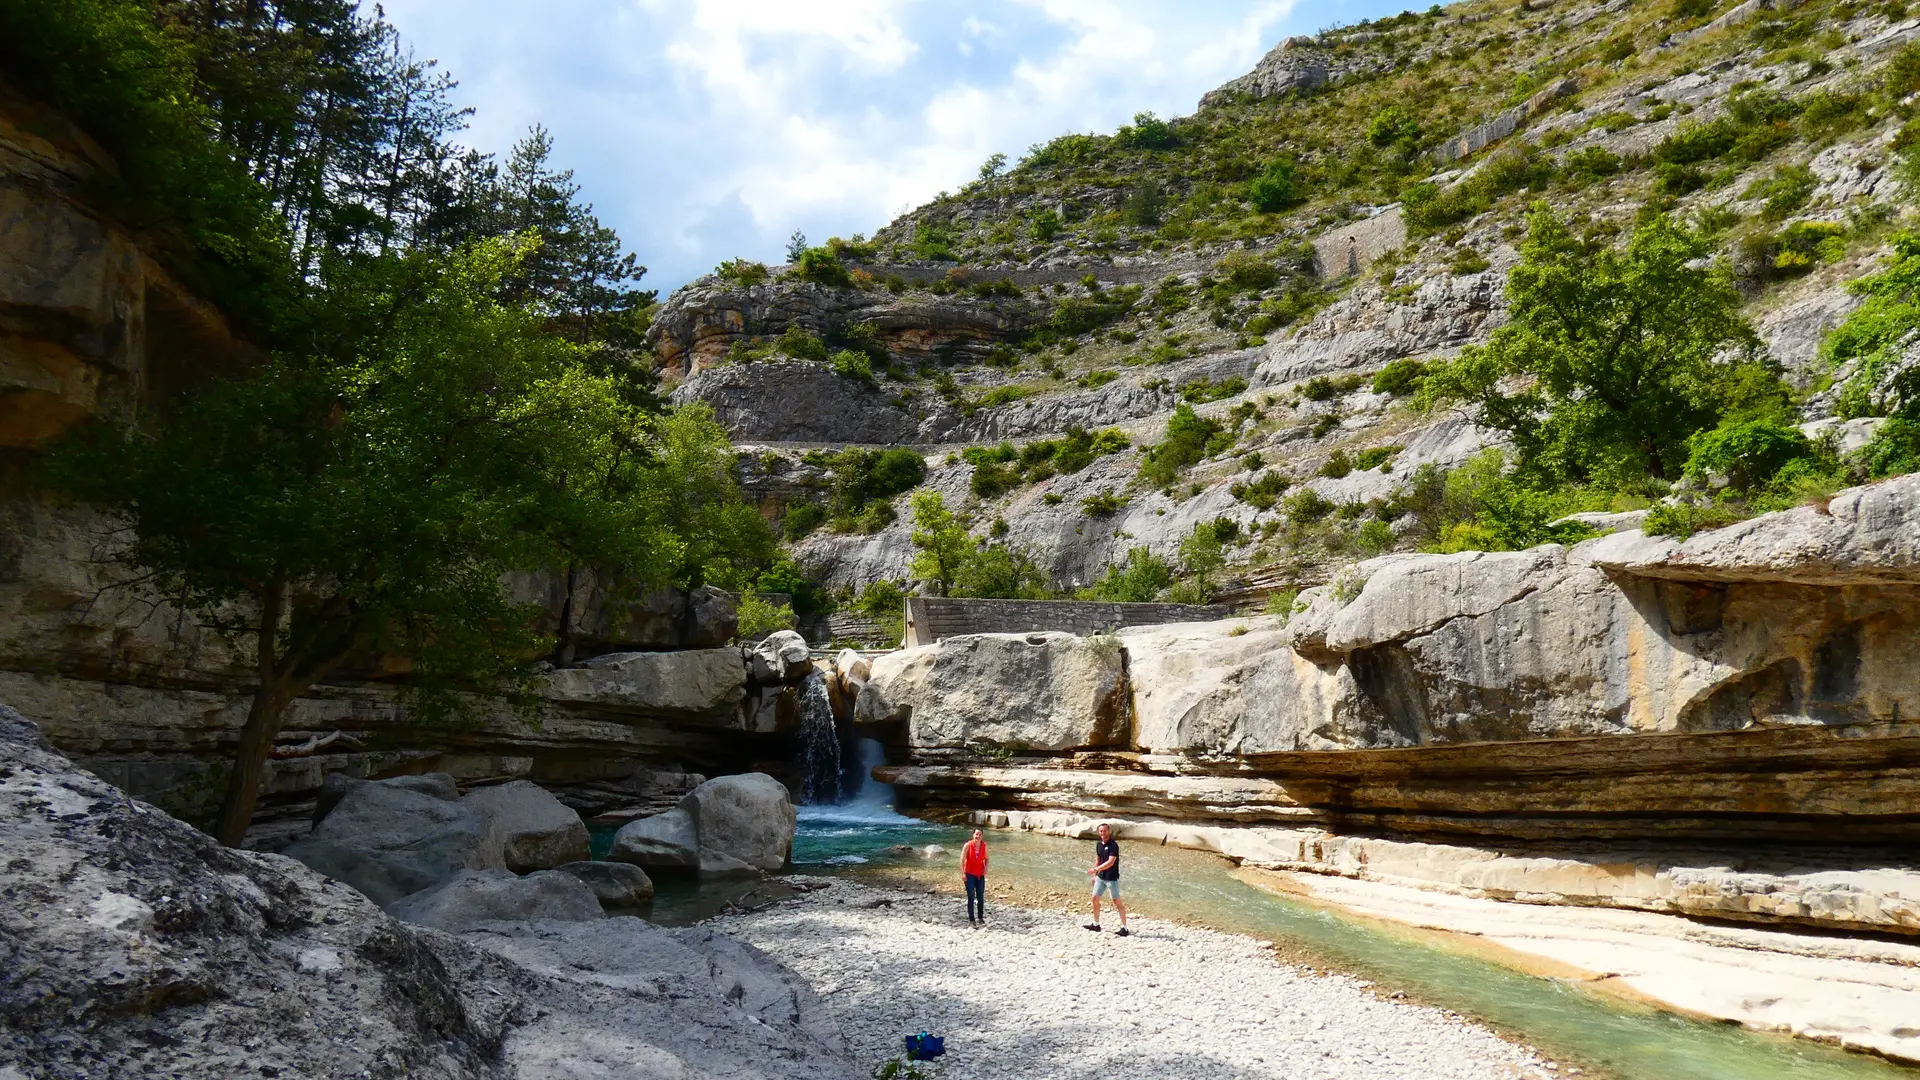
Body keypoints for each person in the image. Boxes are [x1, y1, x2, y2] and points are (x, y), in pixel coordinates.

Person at [1084, 822, 1128, 936]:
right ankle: (1096, 924)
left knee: (1117, 902)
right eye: (1100, 831)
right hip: (1100, 877)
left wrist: (1095, 869)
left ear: (1109, 831)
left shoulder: (1113, 845)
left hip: (1111, 879)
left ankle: (1125, 928)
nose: (1102, 833)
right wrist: (1095, 875)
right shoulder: (1099, 844)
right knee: (1094, 898)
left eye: (1104, 831)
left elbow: (1110, 862)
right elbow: (1099, 859)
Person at [961, 828, 989, 926]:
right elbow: (962, 860)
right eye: (976, 834)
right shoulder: (968, 845)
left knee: (980, 897)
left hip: (980, 875)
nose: (978, 836)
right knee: (971, 897)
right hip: (969, 874)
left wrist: (986, 868)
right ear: (973, 835)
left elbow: (987, 859)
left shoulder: (984, 846)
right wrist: (963, 873)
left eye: (980, 835)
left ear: (982, 836)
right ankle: (972, 919)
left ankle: (980, 918)